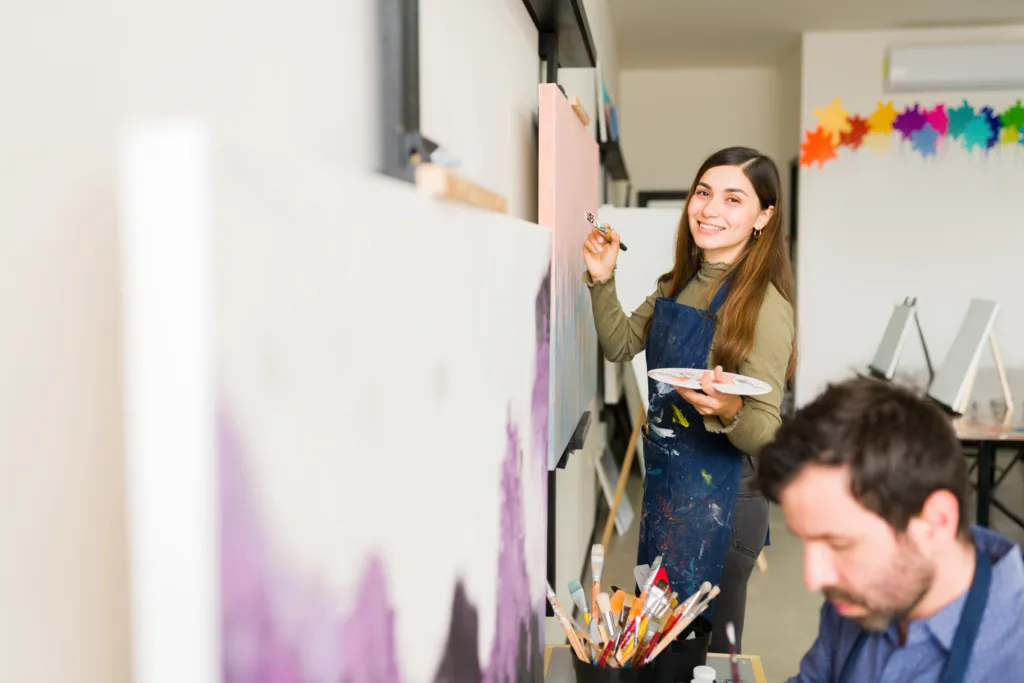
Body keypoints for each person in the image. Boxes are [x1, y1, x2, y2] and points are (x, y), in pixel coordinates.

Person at [582, 146, 796, 653]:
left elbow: (769, 434)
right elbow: (619, 345)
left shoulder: (765, 306)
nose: (710, 209)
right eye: (703, 193)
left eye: (732, 198)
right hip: (665, 493)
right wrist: (602, 276)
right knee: (659, 652)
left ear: (763, 217)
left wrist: (728, 410)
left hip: (723, 506)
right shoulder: (675, 284)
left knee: (707, 661)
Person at [756, 376, 1024, 682]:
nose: (814, 577)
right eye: (807, 542)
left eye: (840, 544)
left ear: (937, 521)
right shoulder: (856, 597)